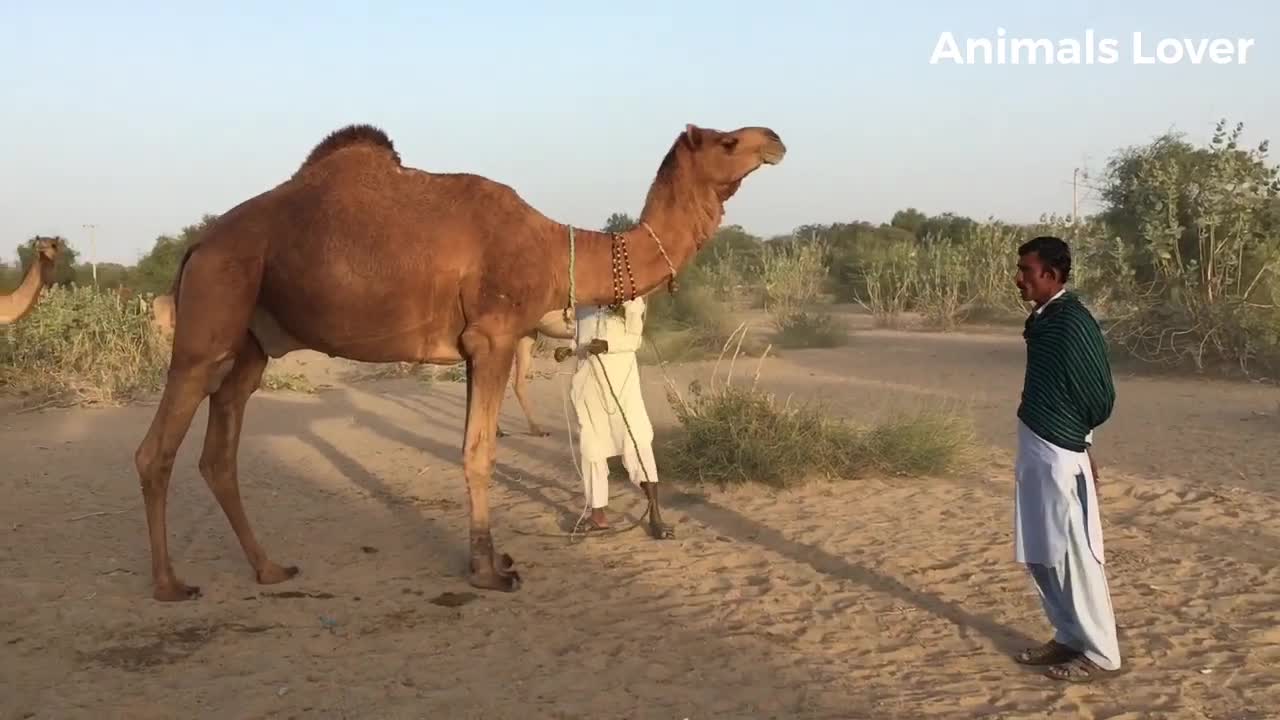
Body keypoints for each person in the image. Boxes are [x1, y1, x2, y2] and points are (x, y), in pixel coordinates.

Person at [1010, 235, 1124, 683]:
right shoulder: (1045, 319)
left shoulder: (1073, 322)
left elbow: (1097, 394)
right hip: (1038, 451)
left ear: (1051, 275)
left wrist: (1080, 443)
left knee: (1075, 553)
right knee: (1043, 552)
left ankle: (1101, 653)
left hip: (1060, 455)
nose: (1019, 279)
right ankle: (1068, 635)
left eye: (1027, 270)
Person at [560, 296, 674, 540]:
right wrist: (569, 349)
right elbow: (581, 339)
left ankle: (655, 515)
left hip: (622, 385)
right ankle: (597, 515)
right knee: (591, 449)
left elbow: (635, 339)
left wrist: (608, 345)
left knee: (637, 443)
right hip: (589, 384)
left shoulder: (632, 302)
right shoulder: (585, 305)